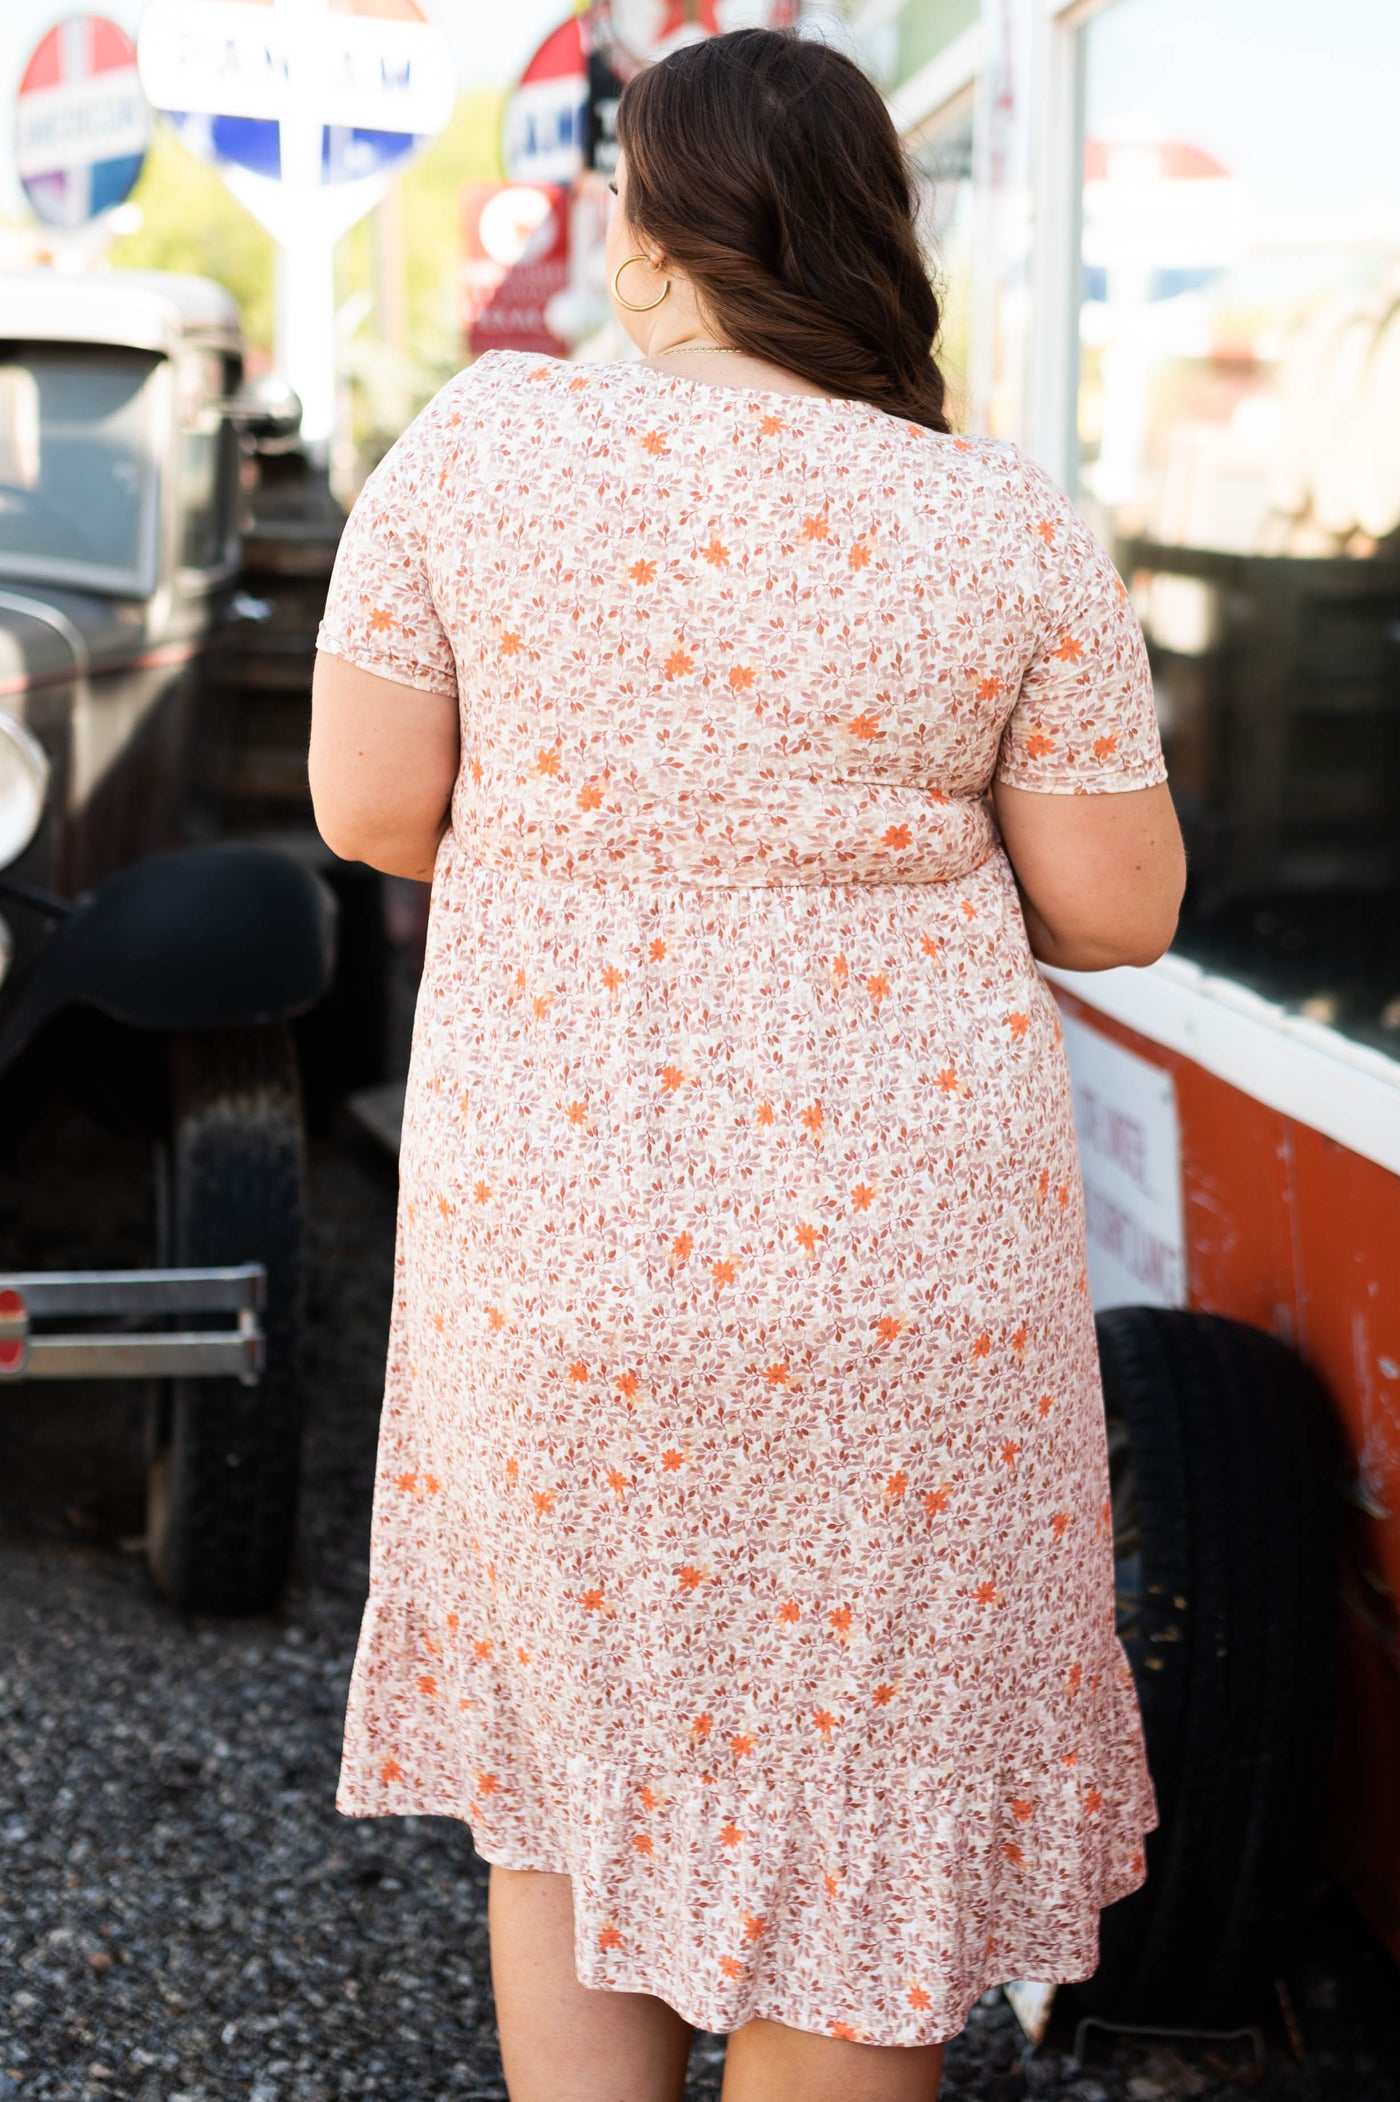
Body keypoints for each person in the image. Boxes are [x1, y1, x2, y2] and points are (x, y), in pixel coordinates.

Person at [308, 26, 1184, 2102]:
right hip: (908, 1275)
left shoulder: (477, 453)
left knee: (573, 1770)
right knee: (867, 1794)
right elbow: (1118, 904)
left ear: (653, 243)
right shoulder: (1000, 523)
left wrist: (602, 835)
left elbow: (366, 805)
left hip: (562, 1236)